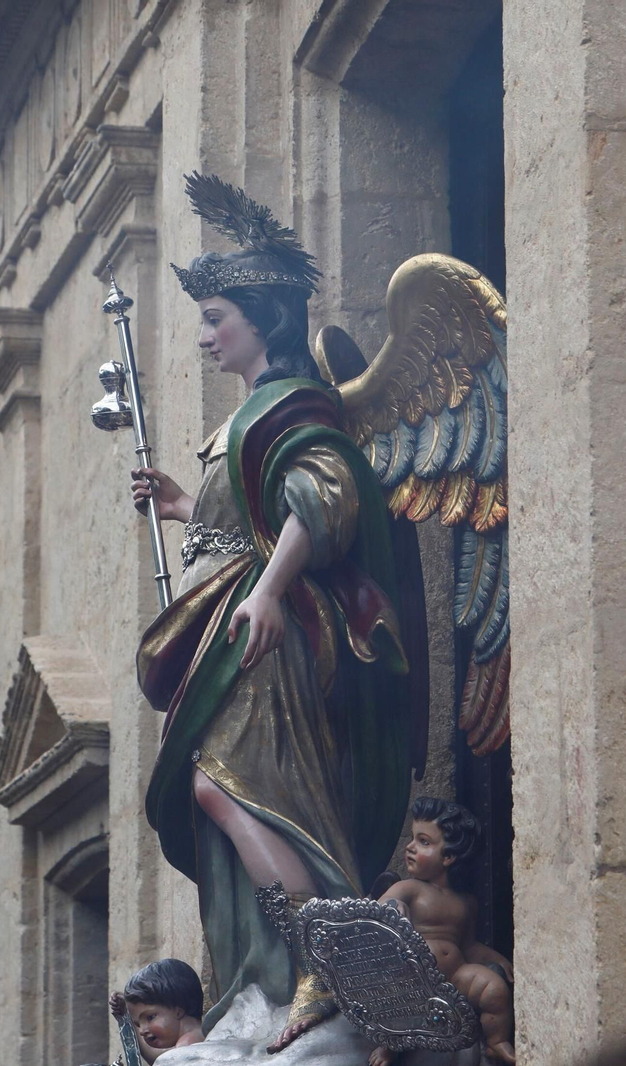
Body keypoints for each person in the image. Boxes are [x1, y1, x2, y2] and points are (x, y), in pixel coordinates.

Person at [131, 174, 415, 1052]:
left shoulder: (296, 405)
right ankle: (273, 972)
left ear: (268, 320)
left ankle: (323, 962)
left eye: (218, 317)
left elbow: (322, 500)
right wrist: (186, 508)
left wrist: (264, 590)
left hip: (268, 640)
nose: (207, 336)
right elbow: (251, 514)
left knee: (233, 790)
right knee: (218, 792)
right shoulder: (247, 417)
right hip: (237, 628)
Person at [374, 797, 513, 1064]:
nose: (410, 847)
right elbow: (378, 910)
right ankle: (388, 1043)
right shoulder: (410, 888)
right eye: (413, 839)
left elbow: (469, 945)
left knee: (494, 989)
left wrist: (496, 959)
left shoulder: (465, 901)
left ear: (448, 856)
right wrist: (395, 904)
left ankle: (496, 1042)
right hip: (415, 978)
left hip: (456, 976)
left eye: (423, 842)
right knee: (396, 998)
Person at [110, 958, 206, 1063]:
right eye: (138, 1024)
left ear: (179, 1011)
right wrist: (126, 1015)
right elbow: (157, 1058)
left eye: (150, 1017)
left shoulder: (188, 1044)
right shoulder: (190, 1043)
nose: (142, 1031)